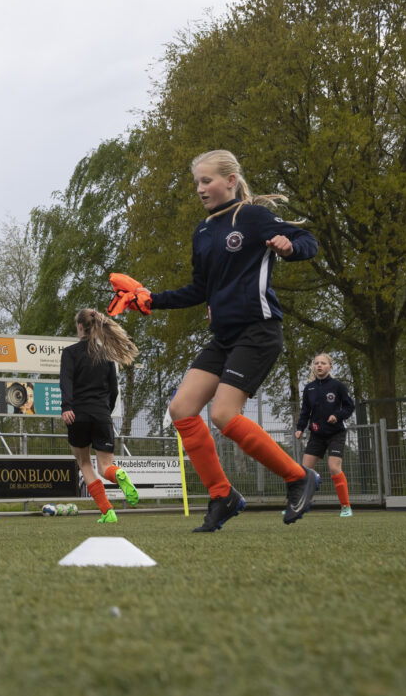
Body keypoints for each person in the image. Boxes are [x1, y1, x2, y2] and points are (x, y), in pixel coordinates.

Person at [109, 149, 322, 532]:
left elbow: (307, 240)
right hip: (223, 337)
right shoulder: (204, 231)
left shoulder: (253, 218)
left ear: (230, 180)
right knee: (182, 409)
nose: (200, 189)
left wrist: (291, 249)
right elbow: (199, 290)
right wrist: (150, 299)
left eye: (207, 181)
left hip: (258, 330)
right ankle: (223, 496)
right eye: (197, 183)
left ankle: (298, 477)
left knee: (224, 414)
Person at [59, 307, 141, 523]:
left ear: (79, 327)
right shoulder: (106, 356)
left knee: (84, 463)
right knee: (106, 468)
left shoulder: (70, 353)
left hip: (78, 415)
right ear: (95, 328)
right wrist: (106, 410)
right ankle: (119, 475)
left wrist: (67, 406)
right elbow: (113, 391)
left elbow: (65, 381)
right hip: (102, 415)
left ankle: (107, 511)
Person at [295, 353, 356, 517]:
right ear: (313, 367)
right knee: (304, 471)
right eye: (316, 363)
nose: (319, 366)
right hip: (316, 434)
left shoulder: (338, 386)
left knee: (334, 467)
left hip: (336, 433)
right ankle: (298, 505)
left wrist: (337, 416)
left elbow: (350, 407)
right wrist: (300, 428)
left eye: (323, 363)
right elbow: (305, 412)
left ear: (330, 367)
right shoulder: (309, 388)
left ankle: (345, 506)